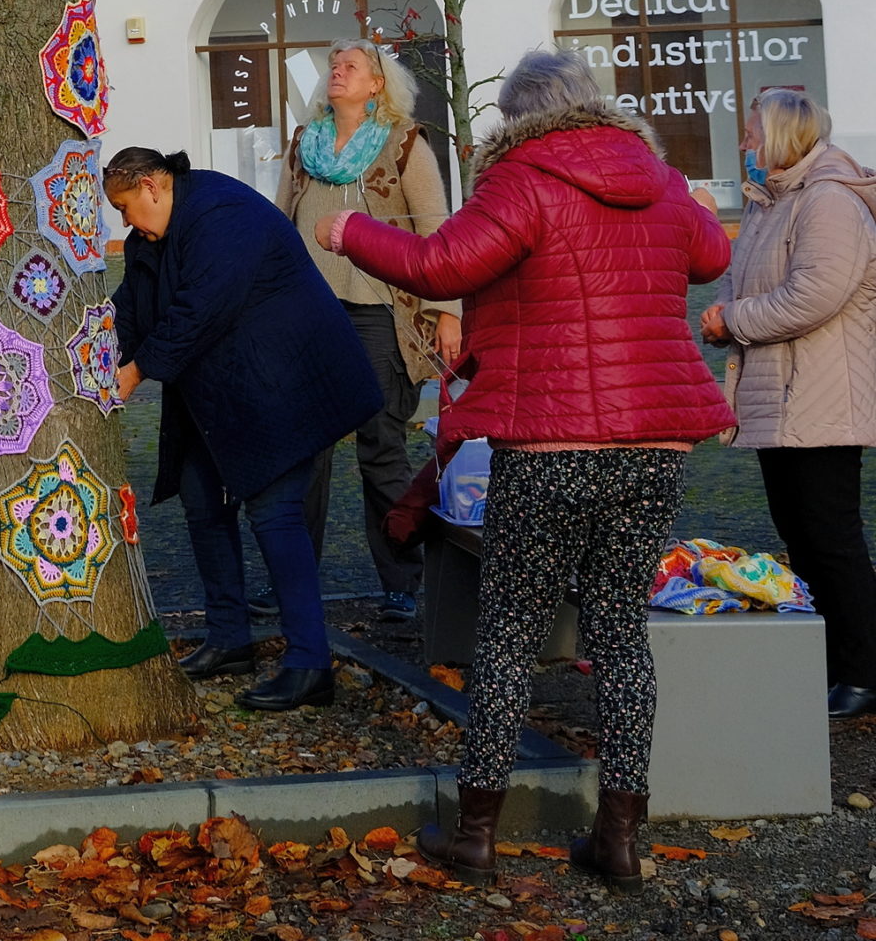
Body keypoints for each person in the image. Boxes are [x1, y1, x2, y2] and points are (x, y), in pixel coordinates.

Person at [315, 48, 730, 886]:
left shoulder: (523, 178)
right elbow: (711, 256)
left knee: (506, 635)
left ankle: (475, 837)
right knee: (620, 634)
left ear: (520, 116)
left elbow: (441, 266)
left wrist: (350, 231)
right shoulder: (655, 179)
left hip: (550, 444)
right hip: (654, 447)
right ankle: (618, 841)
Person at [105, 145, 384, 712]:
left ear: (154, 187)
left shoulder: (220, 212)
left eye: (126, 206)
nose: (125, 221)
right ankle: (229, 639)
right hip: (219, 389)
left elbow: (199, 309)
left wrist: (133, 373)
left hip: (281, 382)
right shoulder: (148, 240)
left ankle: (310, 663)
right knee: (201, 499)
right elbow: (130, 309)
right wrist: (93, 352)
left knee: (275, 512)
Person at [700, 87, 876, 718]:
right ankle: (830, 662)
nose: (745, 144)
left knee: (830, 537)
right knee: (801, 536)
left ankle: (863, 670)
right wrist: (724, 310)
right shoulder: (771, 203)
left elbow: (814, 295)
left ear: (778, 136)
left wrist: (732, 320)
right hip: (781, 396)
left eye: (751, 133)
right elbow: (738, 274)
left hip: (823, 397)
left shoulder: (828, 202)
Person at [281, 39, 463, 621]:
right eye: (333, 65)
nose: (337, 72)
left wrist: (450, 312)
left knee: (381, 447)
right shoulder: (302, 145)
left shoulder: (405, 143)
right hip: (310, 311)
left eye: (350, 66)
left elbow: (437, 233)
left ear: (378, 83)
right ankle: (294, 580)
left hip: (381, 312)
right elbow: (279, 226)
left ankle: (401, 583)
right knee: (304, 450)